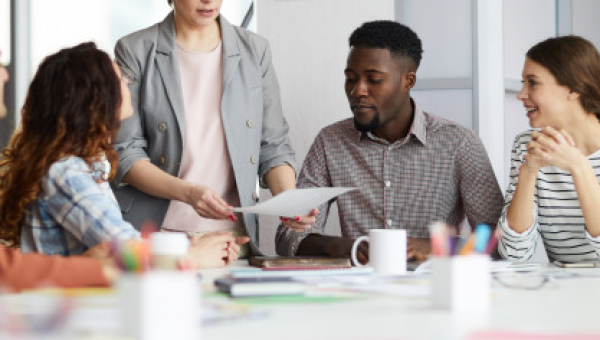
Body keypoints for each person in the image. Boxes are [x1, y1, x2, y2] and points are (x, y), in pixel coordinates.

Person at [0, 43, 245, 269]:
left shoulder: (82, 165)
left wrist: (203, 246)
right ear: (96, 99)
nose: (128, 82)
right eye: (120, 79)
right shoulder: (66, 172)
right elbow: (125, 248)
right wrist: (196, 255)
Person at [276, 21, 504, 262]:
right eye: (351, 79)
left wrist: (436, 246)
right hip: (357, 291)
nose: (358, 91)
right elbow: (289, 237)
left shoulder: (459, 143)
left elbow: (498, 240)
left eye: (373, 79)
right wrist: (349, 247)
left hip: (435, 288)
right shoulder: (330, 141)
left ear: (408, 81)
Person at [111, 0, 315, 257]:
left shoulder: (255, 50)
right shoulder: (135, 49)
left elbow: (273, 145)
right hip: (156, 239)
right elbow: (125, 154)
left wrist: (290, 202)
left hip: (231, 242)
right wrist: (189, 193)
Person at [498, 36, 600, 263]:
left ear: (573, 88)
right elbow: (515, 254)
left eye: (532, 82)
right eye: (523, 82)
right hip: (559, 292)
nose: (521, 94)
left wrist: (579, 167)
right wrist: (528, 171)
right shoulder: (528, 145)